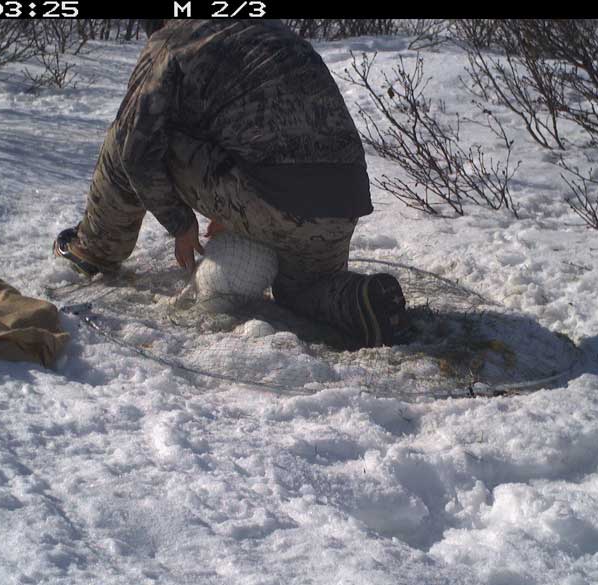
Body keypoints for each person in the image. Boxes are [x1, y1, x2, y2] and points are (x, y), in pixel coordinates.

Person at [53, 19, 409, 349]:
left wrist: (181, 223)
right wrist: (233, 208)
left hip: (268, 194)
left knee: (126, 135)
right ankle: (362, 301)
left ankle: (95, 250)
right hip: (340, 200)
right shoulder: (267, 29)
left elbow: (137, 151)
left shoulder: (173, 40)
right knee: (302, 289)